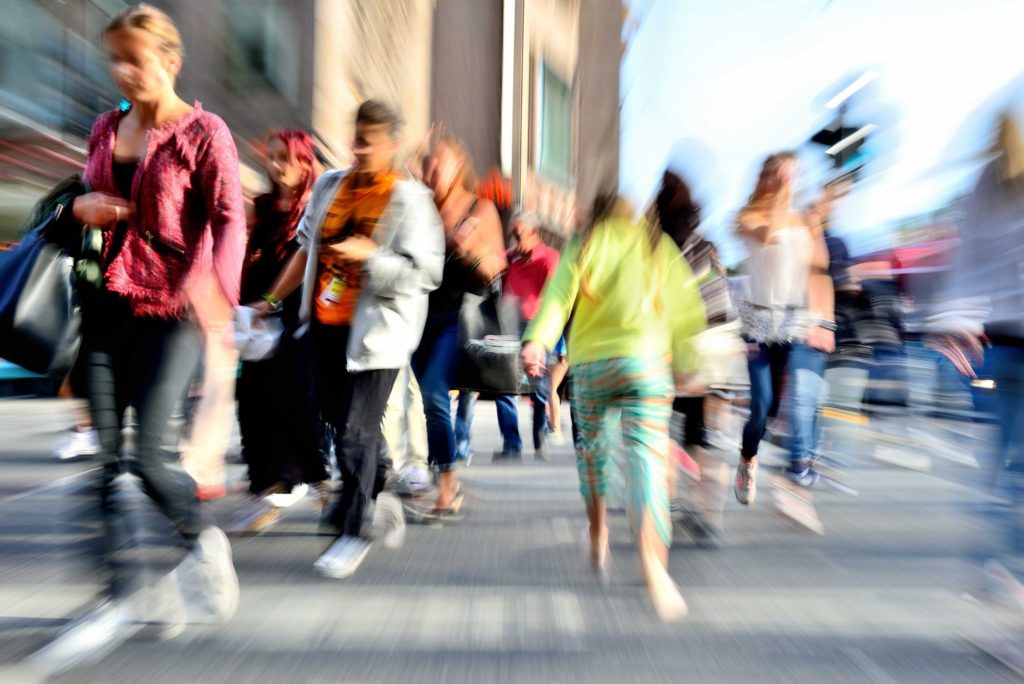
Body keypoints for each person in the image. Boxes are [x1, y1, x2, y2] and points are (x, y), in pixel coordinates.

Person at [62, 2, 244, 632]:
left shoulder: (204, 132)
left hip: (173, 313)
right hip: (106, 308)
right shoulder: (104, 130)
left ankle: (202, 542)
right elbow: (76, 201)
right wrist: (81, 206)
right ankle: (121, 595)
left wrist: (219, 290)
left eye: (133, 60)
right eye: (113, 59)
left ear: (169, 61)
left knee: (152, 459)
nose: (120, 71)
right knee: (108, 461)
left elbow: (229, 218)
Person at [252, 100, 444, 578]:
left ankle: (354, 530)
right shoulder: (328, 185)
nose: (359, 148)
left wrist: (371, 257)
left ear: (392, 145)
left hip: (378, 335)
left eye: (370, 141)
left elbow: (426, 275)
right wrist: (271, 300)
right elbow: (303, 250)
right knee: (339, 422)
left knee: (357, 431)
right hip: (323, 326)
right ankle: (375, 481)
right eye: (356, 138)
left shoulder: (410, 200)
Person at [522, 194, 706, 621]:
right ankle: (654, 570)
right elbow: (686, 310)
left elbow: (558, 298)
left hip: (591, 368)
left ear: (597, 213)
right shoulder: (656, 243)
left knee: (594, 457)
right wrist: (689, 362)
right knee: (647, 462)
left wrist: (539, 341)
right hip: (647, 364)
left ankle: (597, 530)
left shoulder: (584, 243)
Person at [234, 129, 329, 531]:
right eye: (272, 157)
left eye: (286, 158)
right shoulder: (264, 206)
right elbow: (249, 254)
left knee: (297, 404)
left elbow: (312, 264)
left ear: (306, 162)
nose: (276, 165)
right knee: (253, 400)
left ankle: (321, 484)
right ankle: (270, 488)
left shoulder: (316, 206)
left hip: (299, 315)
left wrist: (270, 301)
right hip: (258, 312)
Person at [733, 152, 835, 508]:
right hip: (759, 324)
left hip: (794, 321)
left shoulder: (801, 218)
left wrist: (817, 223)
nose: (787, 180)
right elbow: (770, 236)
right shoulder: (748, 216)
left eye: (790, 174)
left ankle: (800, 463)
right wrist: (782, 192)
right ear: (767, 178)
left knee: (784, 405)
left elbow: (819, 265)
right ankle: (748, 458)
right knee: (760, 405)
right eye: (778, 175)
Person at [413, 133, 505, 515]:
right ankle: (434, 474)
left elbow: (497, 268)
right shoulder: (418, 208)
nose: (432, 169)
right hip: (419, 316)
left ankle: (446, 482)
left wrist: (468, 251)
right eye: (427, 163)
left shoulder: (479, 209)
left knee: (435, 391)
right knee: (426, 401)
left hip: (458, 316)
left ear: (458, 166)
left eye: (440, 162)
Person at [655, 170, 732, 547]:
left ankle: (667, 507)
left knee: (664, 431)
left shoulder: (658, 249)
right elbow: (722, 300)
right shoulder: (707, 247)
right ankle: (709, 519)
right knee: (702, 439)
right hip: (716, 351)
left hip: (677, 350)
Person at [494, 212, 560, 461]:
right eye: (513, 234)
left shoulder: (549, 257)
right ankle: (512, 444)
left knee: (539, 388)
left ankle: (539, 437)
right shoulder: (510, 257)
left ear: (534, 233)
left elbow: (552, 292)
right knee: (502, 385)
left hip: (537, 328)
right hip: (509, 325)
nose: (515, 239)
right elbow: (490, 263)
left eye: (519, 234)